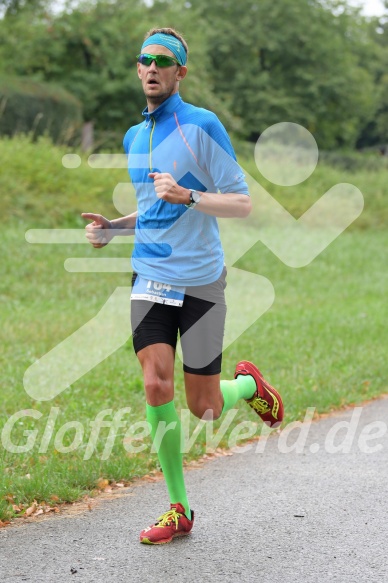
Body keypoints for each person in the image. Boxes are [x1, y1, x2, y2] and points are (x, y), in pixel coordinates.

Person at [82, 27, 284, 545]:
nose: (151, 68)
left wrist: (190, 196)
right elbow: (153, 208)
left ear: (180, 73)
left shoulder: (201, 126)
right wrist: (113, 227)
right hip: (150, 276)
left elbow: (242, 203)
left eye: (162, 61)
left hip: (200, 283)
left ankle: (246, 387)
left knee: (204, 408)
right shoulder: (134, 136)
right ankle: (179, 508)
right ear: (138, 68)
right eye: (144, 60)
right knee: (155, 384)